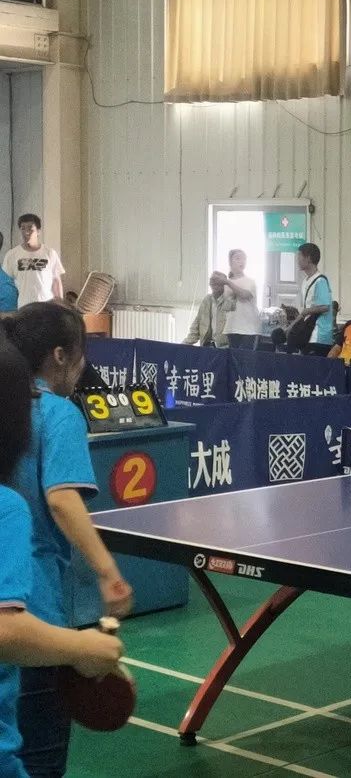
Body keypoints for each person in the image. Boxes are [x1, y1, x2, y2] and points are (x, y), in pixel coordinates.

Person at [1, 302, 133, 775]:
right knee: (37, 756)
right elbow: (62, 498)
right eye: (81, 354)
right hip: (33, 612)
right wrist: (108, 571)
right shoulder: (57, 414)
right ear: (60, 356)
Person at [1, 215, 64, 308]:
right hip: (24, 307)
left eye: (30, 228)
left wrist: (61, 307)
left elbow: (56, 282)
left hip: (47, 306)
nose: (26, 232)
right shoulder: (12, 255)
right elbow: (6, 284)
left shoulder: (50, 253)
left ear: (38, 231)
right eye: (23, 228)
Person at [216, 249, 261, 350]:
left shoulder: (250, 281)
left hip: (249, 329)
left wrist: (228, 283)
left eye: (244, 259)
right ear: (230, 262)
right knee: (233, 357)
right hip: (232, 327)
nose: (241, 261)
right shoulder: (226, 283)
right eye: (237, 258)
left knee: (245, 357)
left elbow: (245, 294)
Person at [295, 243, 333, 356]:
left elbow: (325, 306)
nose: (297, 260)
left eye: (299, 256)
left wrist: (307, 311)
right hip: (308, 333)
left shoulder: (320, 281)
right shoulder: (305, 281)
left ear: (308, 258)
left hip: (319, 335)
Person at [181, 275, 227, 348]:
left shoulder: (230, 302)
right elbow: (196, 325)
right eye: (212, 284)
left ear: (224, 285)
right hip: (207, 346)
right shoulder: (207, 300)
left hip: (224, 348)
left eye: (217, 284)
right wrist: (182, 346)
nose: (214, 286)